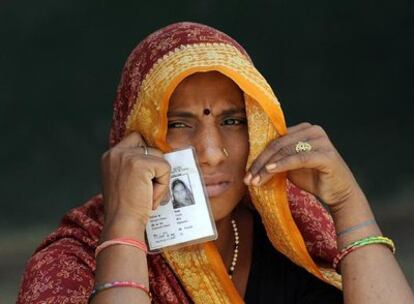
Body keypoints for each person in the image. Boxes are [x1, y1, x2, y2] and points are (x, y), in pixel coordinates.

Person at [17, 22, 413, 304]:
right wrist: (124, 227)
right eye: (177, 123)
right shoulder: (73, 260)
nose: (211, 152)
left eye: (232, 121)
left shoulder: (292, 232)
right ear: (133, 136)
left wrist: (347, 204)